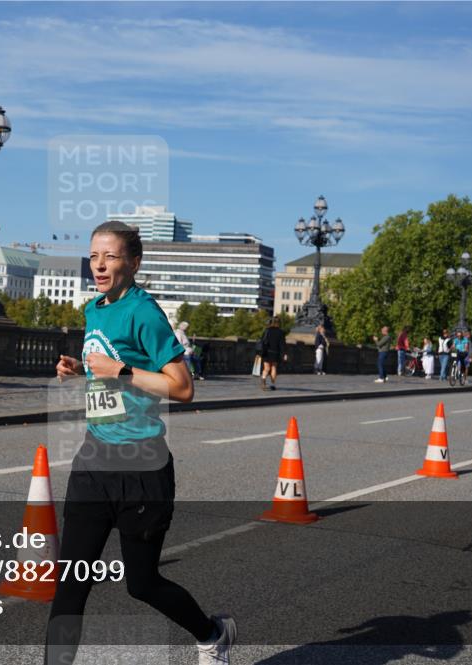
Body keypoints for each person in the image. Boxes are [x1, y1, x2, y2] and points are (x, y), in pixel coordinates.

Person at [49, 221, 235, 665]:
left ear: (133, 263)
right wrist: (83, 370)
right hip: (94, 460)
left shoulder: (144, 312)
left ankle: (211, 634)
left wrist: (122, 373)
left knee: (143, 583)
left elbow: (183, 387)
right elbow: (109, 367)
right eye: (94, 255)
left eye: (110, 256)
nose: (99, 264)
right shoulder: (95, 308)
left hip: (142, 470)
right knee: (71, 587)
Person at [260, 316, 286, 391]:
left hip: (266, 352)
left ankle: (263, 379)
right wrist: (284, 353)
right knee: (274, 368)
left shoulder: (267, 331)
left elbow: (262, 341)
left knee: (266, 368)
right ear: (278, 323)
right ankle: (272, 384)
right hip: (275, 352)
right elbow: (282, 344)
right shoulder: (281, 332)